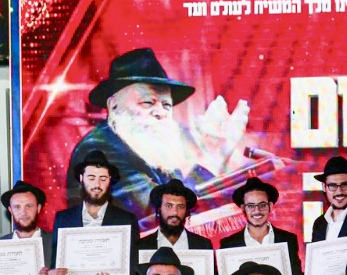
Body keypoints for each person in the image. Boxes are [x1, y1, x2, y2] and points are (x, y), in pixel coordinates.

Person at [66, 48, 255, 216]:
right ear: (114, 105)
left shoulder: (153, 149)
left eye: (166, 105)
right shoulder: (99, 149)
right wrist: (215, 156)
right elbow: (162, 211)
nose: (160, 112)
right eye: (148, 102)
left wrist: (215, 147)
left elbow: (188, 204)